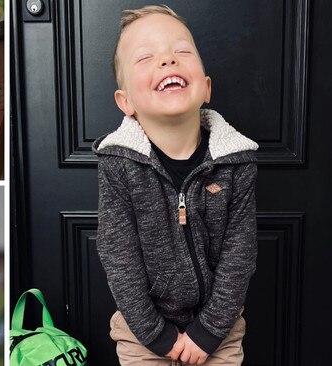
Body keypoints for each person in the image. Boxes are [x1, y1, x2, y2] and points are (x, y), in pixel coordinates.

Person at [93, 5, 258, 366]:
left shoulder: (237, 162)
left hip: (220, 328)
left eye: (181, 51)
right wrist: (158, 336)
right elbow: (118, 256)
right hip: (143, 331)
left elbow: (239, 255)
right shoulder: (118, 163)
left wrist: (209, 331)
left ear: (206, 89)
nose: (168, 60)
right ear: (126, 102)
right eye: (146, 57)